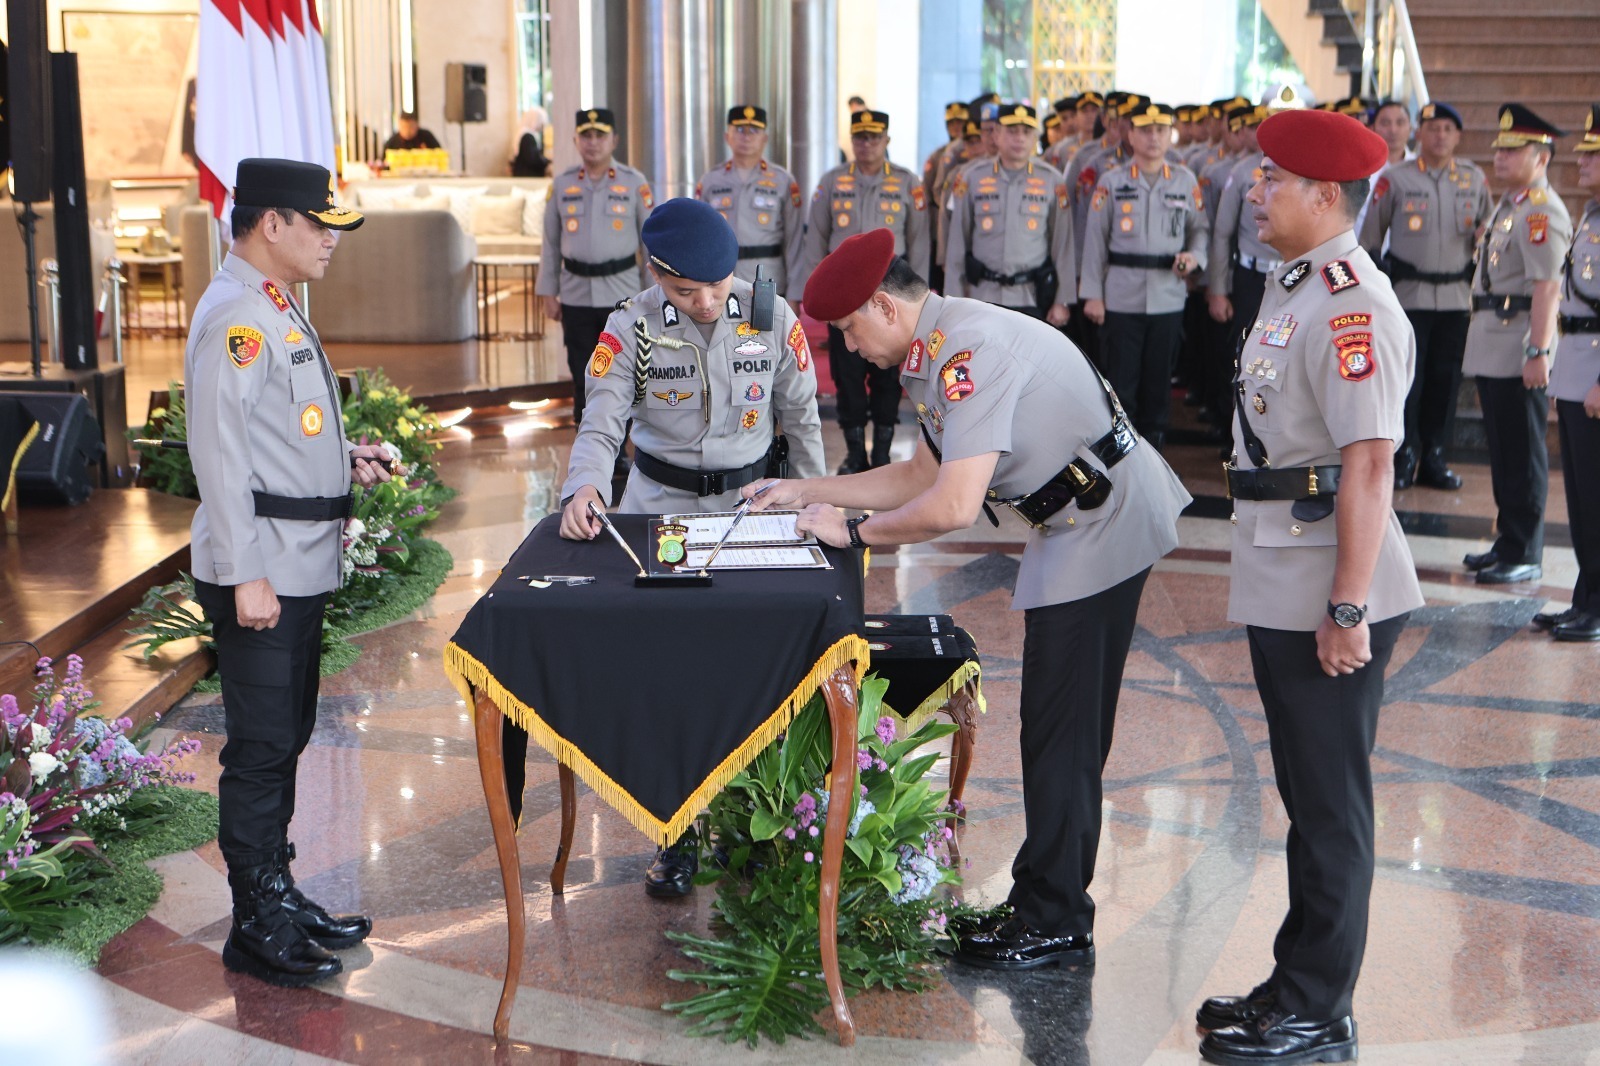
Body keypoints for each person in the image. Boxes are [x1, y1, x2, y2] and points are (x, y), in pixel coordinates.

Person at [750, 227, 1191, 972]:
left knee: (1064, 730)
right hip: (1072, 521)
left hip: (1104, 521)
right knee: (1054, 727)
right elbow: (921, 471)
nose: (850, 349)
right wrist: (804, 489)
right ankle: (1041, 901)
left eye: (851, 330)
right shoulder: (938, 346)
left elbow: (952, 505)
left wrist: (853, 532)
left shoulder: (968, 353)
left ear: (885, 307)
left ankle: (1055, 919)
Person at [1193, 108, 1425, 1066]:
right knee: (1306, 796)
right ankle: (1296, 983)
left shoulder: (1353, 305)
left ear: (1325, 197)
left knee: (1331, 810)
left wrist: (1348, 607)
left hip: (1330, 581)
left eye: (1273, 180)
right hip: (1285, 563)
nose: (1256, 190)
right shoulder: (1295, 289)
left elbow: (1370, 467)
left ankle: (1319, 1012)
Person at [558, 198, 825, 895]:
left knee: (762, 665)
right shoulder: (631, 324)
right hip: (663, 515)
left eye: (716, 286)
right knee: (670, 676)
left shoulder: (768, 312)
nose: (706, 303)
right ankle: (675, 832)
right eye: (685, 291)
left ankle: (767, 818)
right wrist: (583, 487)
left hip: (750, 510)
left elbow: (800, 417)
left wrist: (815, 499)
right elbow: (602, 420)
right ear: (656, 275)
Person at [185, 158, 392, 987]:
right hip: (263, 570)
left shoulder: (272, 306)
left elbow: (277, 429)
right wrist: (245, 576)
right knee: (263, 748)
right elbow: (222, 451)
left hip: (295, 564)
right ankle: (255, 923)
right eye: (319, 224)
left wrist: (344, 459)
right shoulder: (237, 315)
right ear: (273, 224)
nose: (330, 240)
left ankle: (277, 889)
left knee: (289, 734)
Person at [1461, 103, 1572, 586]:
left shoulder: (1541, 211)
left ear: (1541, 157)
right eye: (1499, 149)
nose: (1500, 157)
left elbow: (1548, 286)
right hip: (1493, 341)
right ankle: (1508, 541)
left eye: (1513, 150)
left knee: (1523, 453)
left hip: (1517, 344)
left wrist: (1537, 350)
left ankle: (1525, 549)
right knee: (1505, 451)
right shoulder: (1512, 206)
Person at [1359, 101, 1491, 490]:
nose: (1440, 135)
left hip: (1454, 300)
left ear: (1458, 136)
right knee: (1406, 384)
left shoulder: (1473, 179)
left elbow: (1489, 233)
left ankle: (1435, 455)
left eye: (1448, 129)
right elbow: (1368, 243)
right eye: (1433, 128)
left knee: (1445, 382)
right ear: (1420, 133)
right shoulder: (1395, 180)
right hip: (1408, 300)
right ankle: (1404, 456)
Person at [793, 109, 929, 473]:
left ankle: (882, 453)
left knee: (887, 376)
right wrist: (812, 294)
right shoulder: (831, 182)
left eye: (873, 137)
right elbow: (815, 242)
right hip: (846, 303)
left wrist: (921, 298)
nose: (865, 144)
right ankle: (855, 454)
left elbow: (920, 245)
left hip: (893, 300)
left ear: (886, 141)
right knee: (847, 375)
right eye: (859, 137)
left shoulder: (906, 183)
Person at [1079, 102, 1209, 448]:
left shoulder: (1184, 180)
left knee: (1158, 386)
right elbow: (1094, 241)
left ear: (1170, 135)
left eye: (1161, 131)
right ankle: (1123, 462)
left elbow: (1200, 230)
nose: (1154, 138)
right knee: (1122, 386)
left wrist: (1194, 257)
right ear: (1130, 135)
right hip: (1122, 296)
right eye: (1146, 130)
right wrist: (1093, 294)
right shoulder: (1111, 181)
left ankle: (1156, 457)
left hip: (1167, 296)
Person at [536, 108, 654, 426]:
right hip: (575, 297)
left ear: (614, 140)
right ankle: (587, 452)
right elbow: (549, 243)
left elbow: (649, 244)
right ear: (575, 140)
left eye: (600, 135)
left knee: (622, 373)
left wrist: (652, 296)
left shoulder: (633, 182)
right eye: (586, 136)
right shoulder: (561, 185)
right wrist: (548, 292)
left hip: (623, 296)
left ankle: (617, 455)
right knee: (582, 375)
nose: (593, 143)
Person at [1542, 106, 1600, 641]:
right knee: (1582, 499)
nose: (1581, 160)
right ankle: (1585, 597)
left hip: (1596, 376)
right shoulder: (1591, 215)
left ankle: (1596, 607)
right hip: (1578, 365)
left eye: (1592, 153)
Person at [944, 103, 1075, 325]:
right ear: (996, 134)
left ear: (1035, 137)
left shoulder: (1052, 181)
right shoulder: (971, 178)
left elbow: (1063, 245)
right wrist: (953, 299)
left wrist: (1063, 300)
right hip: (982, 296)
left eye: (1026, 132)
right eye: (1012, 131)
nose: (1020, 138)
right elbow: (957, 243)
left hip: (1032, 297)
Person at [694, 105, 805, 296]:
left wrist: (795, 292)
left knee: (767, 326)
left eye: (754, 130)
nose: (746, 137)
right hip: (721, 278)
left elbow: (795, 240)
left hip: (768, 277)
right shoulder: (710, 180)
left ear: (765, 138)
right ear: (726, 137)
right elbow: (698, 235)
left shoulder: (783, 180)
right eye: (739, 130)